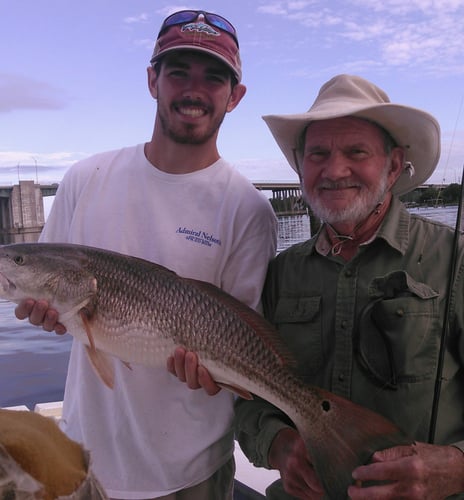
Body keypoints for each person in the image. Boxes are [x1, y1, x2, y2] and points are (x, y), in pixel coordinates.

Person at [15, 10, 277, 500]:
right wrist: (46, 313)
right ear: (152, 79)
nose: (193, 89)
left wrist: (216, 374)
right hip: (83, 457)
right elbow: (55, 297)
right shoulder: (84, 179)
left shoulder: (248, 210)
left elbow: (245, 329)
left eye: (213, 77)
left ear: (235, 96)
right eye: (178, 71)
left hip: (189, 473)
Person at [231, 74, 464, 499]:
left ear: (393, 166)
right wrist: (279, 445)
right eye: (318, 153)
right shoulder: (279, 274)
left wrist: (454, 468)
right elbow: (246, 398)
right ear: (301, 165)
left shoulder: (456, 259)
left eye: (356, 152)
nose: (334, 170)